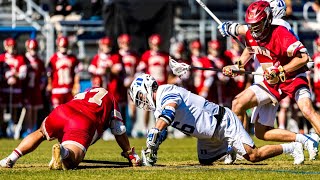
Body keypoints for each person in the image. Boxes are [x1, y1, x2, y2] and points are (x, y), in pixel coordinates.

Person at [129, 73, 305, 166]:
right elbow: (162, 132)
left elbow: (170, 111)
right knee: (205, 161)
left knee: (253, 156)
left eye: (141, 97)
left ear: (146, 88)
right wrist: (151, 150)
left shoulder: (165, 92)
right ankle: (230, 151)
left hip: (222, 123)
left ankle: (291, 147)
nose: (142, 102)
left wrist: (155, 129)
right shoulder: (158, 108)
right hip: (207, 135)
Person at [221, 1, 320, 161]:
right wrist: (236, 66)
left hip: (292, 76)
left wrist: (281, 70)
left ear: (267, 20)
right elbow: (250, 49)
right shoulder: (253, 33)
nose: (253, 29)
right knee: (239, 106)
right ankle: (238, 147)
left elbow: (303, 57)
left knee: (307, 109)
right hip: (271, 81)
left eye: (257, 25)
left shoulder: (279, 31)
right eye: (251, 25)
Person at [0, 87, 141, 169]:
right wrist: (129, 153)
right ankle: (63, 151)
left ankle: (11, 158)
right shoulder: (110, 99)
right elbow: (119, 130)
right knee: (72, 162)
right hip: (82, 121)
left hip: (62, 111)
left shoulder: (84, 93)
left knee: (40, 133)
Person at [0, 38, 27, 137]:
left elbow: (23, 74)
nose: (12, 49)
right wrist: (5, 76)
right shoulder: (2, 58)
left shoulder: (20, 58)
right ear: (6, 46)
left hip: (15, 88)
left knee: (15, 109)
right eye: (10, 46)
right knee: (1, 108)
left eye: (13, 47)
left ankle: (12, 127)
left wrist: (14, 75)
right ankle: (2, 128)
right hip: (3, 87)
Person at [46, 36, 81, 109]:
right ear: (58, 46)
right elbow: (49, 73)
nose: (63, 48)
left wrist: (76, 84)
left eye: (65, 46)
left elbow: (77, 73)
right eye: (62, 46)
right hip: (57, 89)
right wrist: (49, 84)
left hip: (69, 89)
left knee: (69, 111)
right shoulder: (54, 58)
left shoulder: (73, 58)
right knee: (56, 111)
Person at [23, 39, 46, 137]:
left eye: (35, 49)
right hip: (26, 87)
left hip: (35, 88)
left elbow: (43, 75)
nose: (33, 51)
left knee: (35, 109)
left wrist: (42, 84)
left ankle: (33, 128)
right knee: (28, 109)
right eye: (32, 49)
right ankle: (28, 128)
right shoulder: (24, 59)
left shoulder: (39, 61)